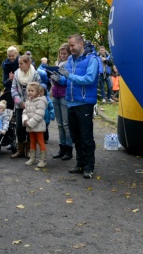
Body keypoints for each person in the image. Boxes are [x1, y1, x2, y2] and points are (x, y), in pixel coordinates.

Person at [51, 34, 99, 179]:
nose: (70, 48)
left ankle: (89, 167)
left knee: (86, 137)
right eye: (69, 45)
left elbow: (89, 79)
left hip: (84, 103)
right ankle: (80, 164)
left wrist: (69, 76)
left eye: (72, 46)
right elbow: (68, 81)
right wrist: (58, 78)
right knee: (76, 137)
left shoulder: (92, 59)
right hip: (70, 102)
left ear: (81, 44)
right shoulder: (71, 59)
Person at [10, 55, 42, 159]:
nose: (19, 65)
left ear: (28, 63)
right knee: (19, 127)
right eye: (18, 63)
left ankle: (29, 149)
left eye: (21, 63)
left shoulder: (35, 74)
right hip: (20, 105)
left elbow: (38, 89)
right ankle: (20, 149)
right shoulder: (16, 74)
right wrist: (20, 102)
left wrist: (29, 102)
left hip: (31, 104)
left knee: (30, 127)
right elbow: (13, 89)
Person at [50, 43, 73, 160]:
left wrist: (58, 78)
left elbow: (67, 80)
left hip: (64, 95)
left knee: (66, 123)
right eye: (61, 53)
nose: (62, 55)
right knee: (59, 124)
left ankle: (69, 148)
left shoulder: (69, 64)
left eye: (65, 53)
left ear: (69, 54)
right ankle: (62, 147)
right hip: (56, 94)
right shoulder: (57, 64)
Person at [22, 82, 48, 168]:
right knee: (32, 141)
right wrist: (25, 119)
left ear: (37, 91)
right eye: (28, 90)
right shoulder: (28, 101)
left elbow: (39, 115)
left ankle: (43, 160)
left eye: (32, 90)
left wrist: (30, 122)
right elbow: (24, 111)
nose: (29, 92)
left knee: (40, 141)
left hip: (38, 126)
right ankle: (32, 158)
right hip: (30, 125)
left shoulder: (41, 101)